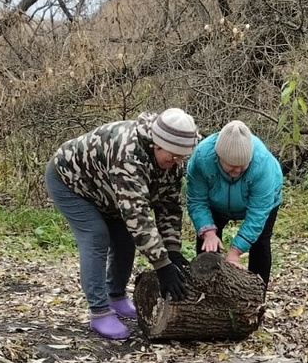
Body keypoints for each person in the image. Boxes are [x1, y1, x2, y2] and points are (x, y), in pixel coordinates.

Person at [45, 108, 198, 340]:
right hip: (71, 182)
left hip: (107, 191)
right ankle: (99, 311)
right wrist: (162, 265)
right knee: (96, 236)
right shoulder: (129, 154)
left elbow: (169, 207)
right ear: (157, 143)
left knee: (125, 239)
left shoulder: (172, 163)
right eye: (173, 155)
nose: (177, 162)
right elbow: (138, 217)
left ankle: (116, 296)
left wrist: (173, 251)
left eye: (182, 157)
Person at [185, 120, 284, 286]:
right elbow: (197, 200)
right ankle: (206, 292)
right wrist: (208, 232)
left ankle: (257, 297)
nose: (237, 171)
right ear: (218, 157)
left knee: (260, 243)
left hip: (261, 202)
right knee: (206, 244)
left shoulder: (262, 164)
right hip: (215, 202)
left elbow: (257, 214)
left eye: (242, 166)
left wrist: (235, 252)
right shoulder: (202, 157)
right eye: (232, 166)